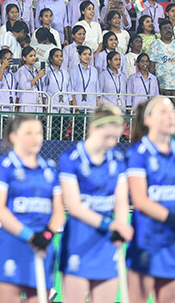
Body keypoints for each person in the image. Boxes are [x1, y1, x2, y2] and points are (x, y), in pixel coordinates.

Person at [126, 96, 175, 303]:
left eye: (172, 112)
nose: (171, 116)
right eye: (163, 112)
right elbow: (140, 200)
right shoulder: (138, 153)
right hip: (146, 241)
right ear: (147, 120)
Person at [56, 104, 131, 303]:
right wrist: (111, 224)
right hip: (78, 240)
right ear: (93, 129)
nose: (113, 143)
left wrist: (121, 225)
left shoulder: (118, 159)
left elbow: (121, 201)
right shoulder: (70, 159)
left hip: (107, 242)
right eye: (108, 137)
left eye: (116, 138)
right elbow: (75, 206)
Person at [0, 115, 63, 301]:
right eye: (29, 133)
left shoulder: (49, 170)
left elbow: (59, 211)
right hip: (13, 244)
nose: (36, 138)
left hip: (43, 246)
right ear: (13, 136)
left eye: (39, 133)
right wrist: (30, 236)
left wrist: (46, 236)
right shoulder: (2, 168)